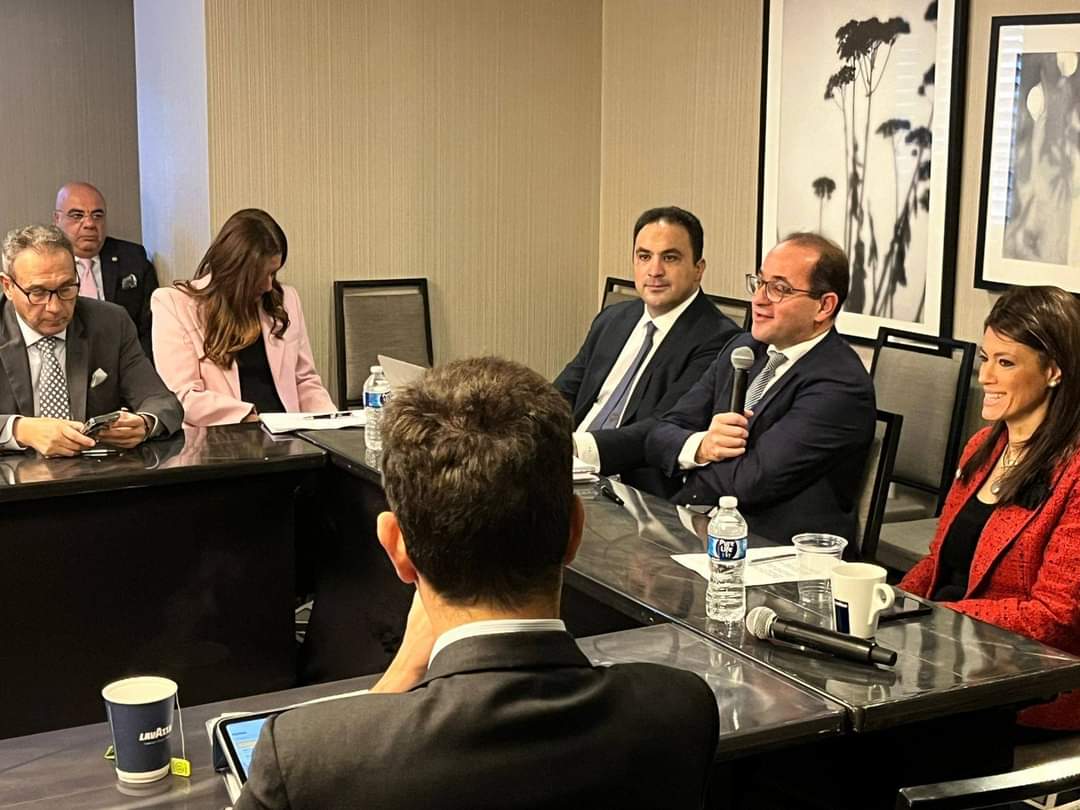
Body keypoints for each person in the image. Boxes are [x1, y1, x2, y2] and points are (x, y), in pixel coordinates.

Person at [236, 357, 719, 810]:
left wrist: (398, 677)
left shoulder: (304, 755)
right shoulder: (678, 709)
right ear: (575, 531)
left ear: (397, 548)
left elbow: (352, 758)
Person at [901, 285, 1080, 732]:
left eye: (1006, 362)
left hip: (1023, 684)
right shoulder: (983, 446)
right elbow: (938, 562)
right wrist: (892, 603)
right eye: (985, 358)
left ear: (1054, 370)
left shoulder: (1074, 472)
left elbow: (1054, 616)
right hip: (943, 655)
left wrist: (938, 618)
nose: (985, 376)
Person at [645, 233, 875, 544]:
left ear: (824, 306)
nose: (758, 300)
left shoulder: (840, 384)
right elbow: (660, 434)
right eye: (760, 283)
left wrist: (688, 457)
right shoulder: (743, 349)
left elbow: (749, 482)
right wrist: (703, 447)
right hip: (701, 526)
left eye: (779, 289)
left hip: (776, 548)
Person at [554, 206, 740, 497]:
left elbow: (662, 428)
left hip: (631, 490)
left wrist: (574, 447)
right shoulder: (613, 319)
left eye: (670, 258)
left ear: (698, 269)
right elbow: (561, 394)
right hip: (566, 472)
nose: (655, 271)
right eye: (644, 257)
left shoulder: (719, 339)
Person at [0, 225, 182, 456]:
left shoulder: (110, 322)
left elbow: (162, 402)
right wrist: (19, 429)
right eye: (38, 293)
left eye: (66, 288)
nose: (54, 307)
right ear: (8, 287)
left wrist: (144, 423)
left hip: (95, 470)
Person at [151, 208, 336, 426]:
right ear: (232, 270)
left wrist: (332, 424)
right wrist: (251, 418)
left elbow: (305, 381)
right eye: (258, 276)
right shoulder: (174, 304)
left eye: (273, 273)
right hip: (224, 436)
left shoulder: (286, 299)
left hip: (290, 435)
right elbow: (183, 397)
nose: (268, 286)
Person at [53, 182, 159, 359]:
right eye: (77, 215)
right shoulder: (44, 264)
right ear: (57, 219)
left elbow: (151, 327)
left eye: (97, 215)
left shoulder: (132, 258)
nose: (89, 224)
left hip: (124, 362)